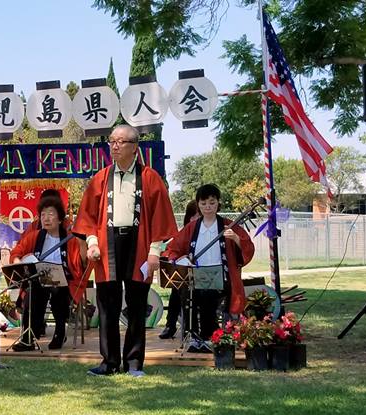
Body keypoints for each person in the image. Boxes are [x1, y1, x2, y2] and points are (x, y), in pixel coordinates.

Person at [73, 125, 178, 377]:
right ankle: (109, 362)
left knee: (137, 305)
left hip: (138, 244)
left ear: (134, 147)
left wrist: (154, 251)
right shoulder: (101, 178)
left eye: (121, 142)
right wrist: (92, 243)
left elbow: (160, 217)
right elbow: (88, 216)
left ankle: (133, 363)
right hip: (106, 245)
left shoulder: (150, 178)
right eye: (112, 141)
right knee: (107, 306)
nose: (115, 146)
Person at [164, 184, 254, 352]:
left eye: (212, 203)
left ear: (218, 203)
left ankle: (208, 338)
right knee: (186, 294)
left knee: (208, 298)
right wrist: (181, 259)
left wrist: (236, 239)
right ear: (198, 204)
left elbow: (248, 249)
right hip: (196, 276)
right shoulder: (192, 227)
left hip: (221, 278)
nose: (208, 207)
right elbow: (173, 248)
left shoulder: (228, 225)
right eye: (203, 203)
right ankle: (192, 337)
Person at [9, 195, 86, 351]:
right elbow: (16, 252)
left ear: (60, 219)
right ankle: (28, 337)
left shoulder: (70, 240)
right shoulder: (35, 236)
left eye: (51, 214)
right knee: (32, 292)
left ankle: (60, 332)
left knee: (58, 292)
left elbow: (81, 264)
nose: (46, 218)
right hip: (40, 280)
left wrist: (83, 243)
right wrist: (18, 261)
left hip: (64, 281)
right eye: (43, 215)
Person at [159, 200, 199, 340]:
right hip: (186, 274)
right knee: (177, 287)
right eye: (194, 216)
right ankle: (171, 325)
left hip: (203, 274)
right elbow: (171, 251)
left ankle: (189, 328)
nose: (196, 219)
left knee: (184, 289)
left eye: (198, 216)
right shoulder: (184, 233)